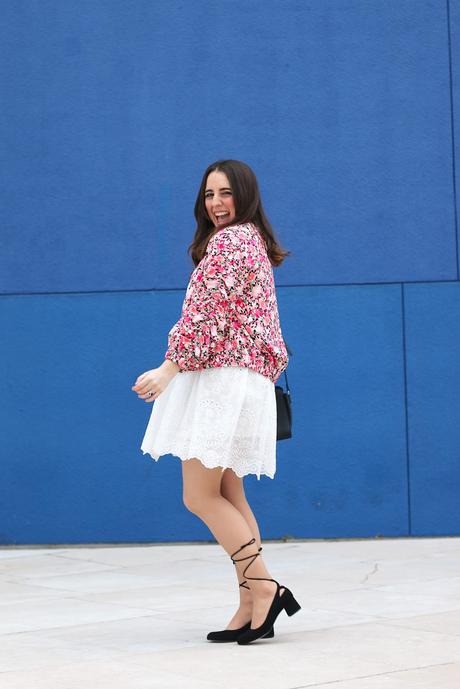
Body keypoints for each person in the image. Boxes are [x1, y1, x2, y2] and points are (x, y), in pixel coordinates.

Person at [131, 159, 301, 644]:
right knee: (229, 493)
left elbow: (208, 316)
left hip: (222, 379)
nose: (216, 203)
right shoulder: (253, 244)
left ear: (244, 196)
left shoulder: (229, 244)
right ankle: (251, 600)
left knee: (199, 495)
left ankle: (265, 586)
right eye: (209, 194)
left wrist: (168, 369)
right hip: (242, 379)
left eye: (226, 193)